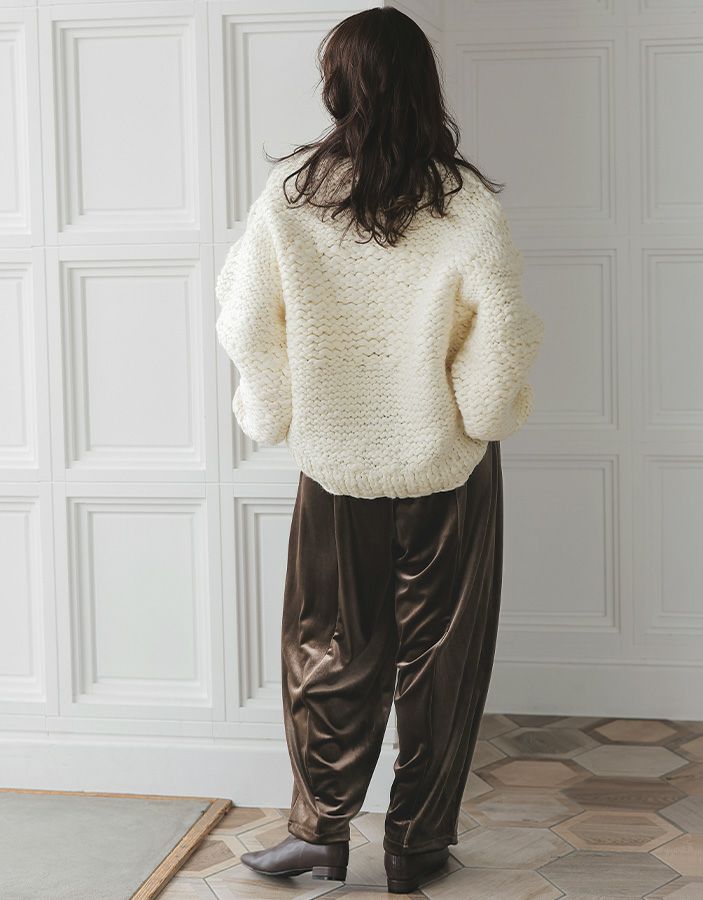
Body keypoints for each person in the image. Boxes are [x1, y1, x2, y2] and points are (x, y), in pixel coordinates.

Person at [215, 6, 544, 894]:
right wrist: (484, 415)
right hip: (448, 460)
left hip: (336, 459)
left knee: (326, 642)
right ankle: (417, 845)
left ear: (338, 84)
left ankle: (319, 834)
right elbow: (502, 331)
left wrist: (272, 411)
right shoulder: (462, 199)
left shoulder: (293, 195)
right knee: (443, 653)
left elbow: (246, 319)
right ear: (422, 85)